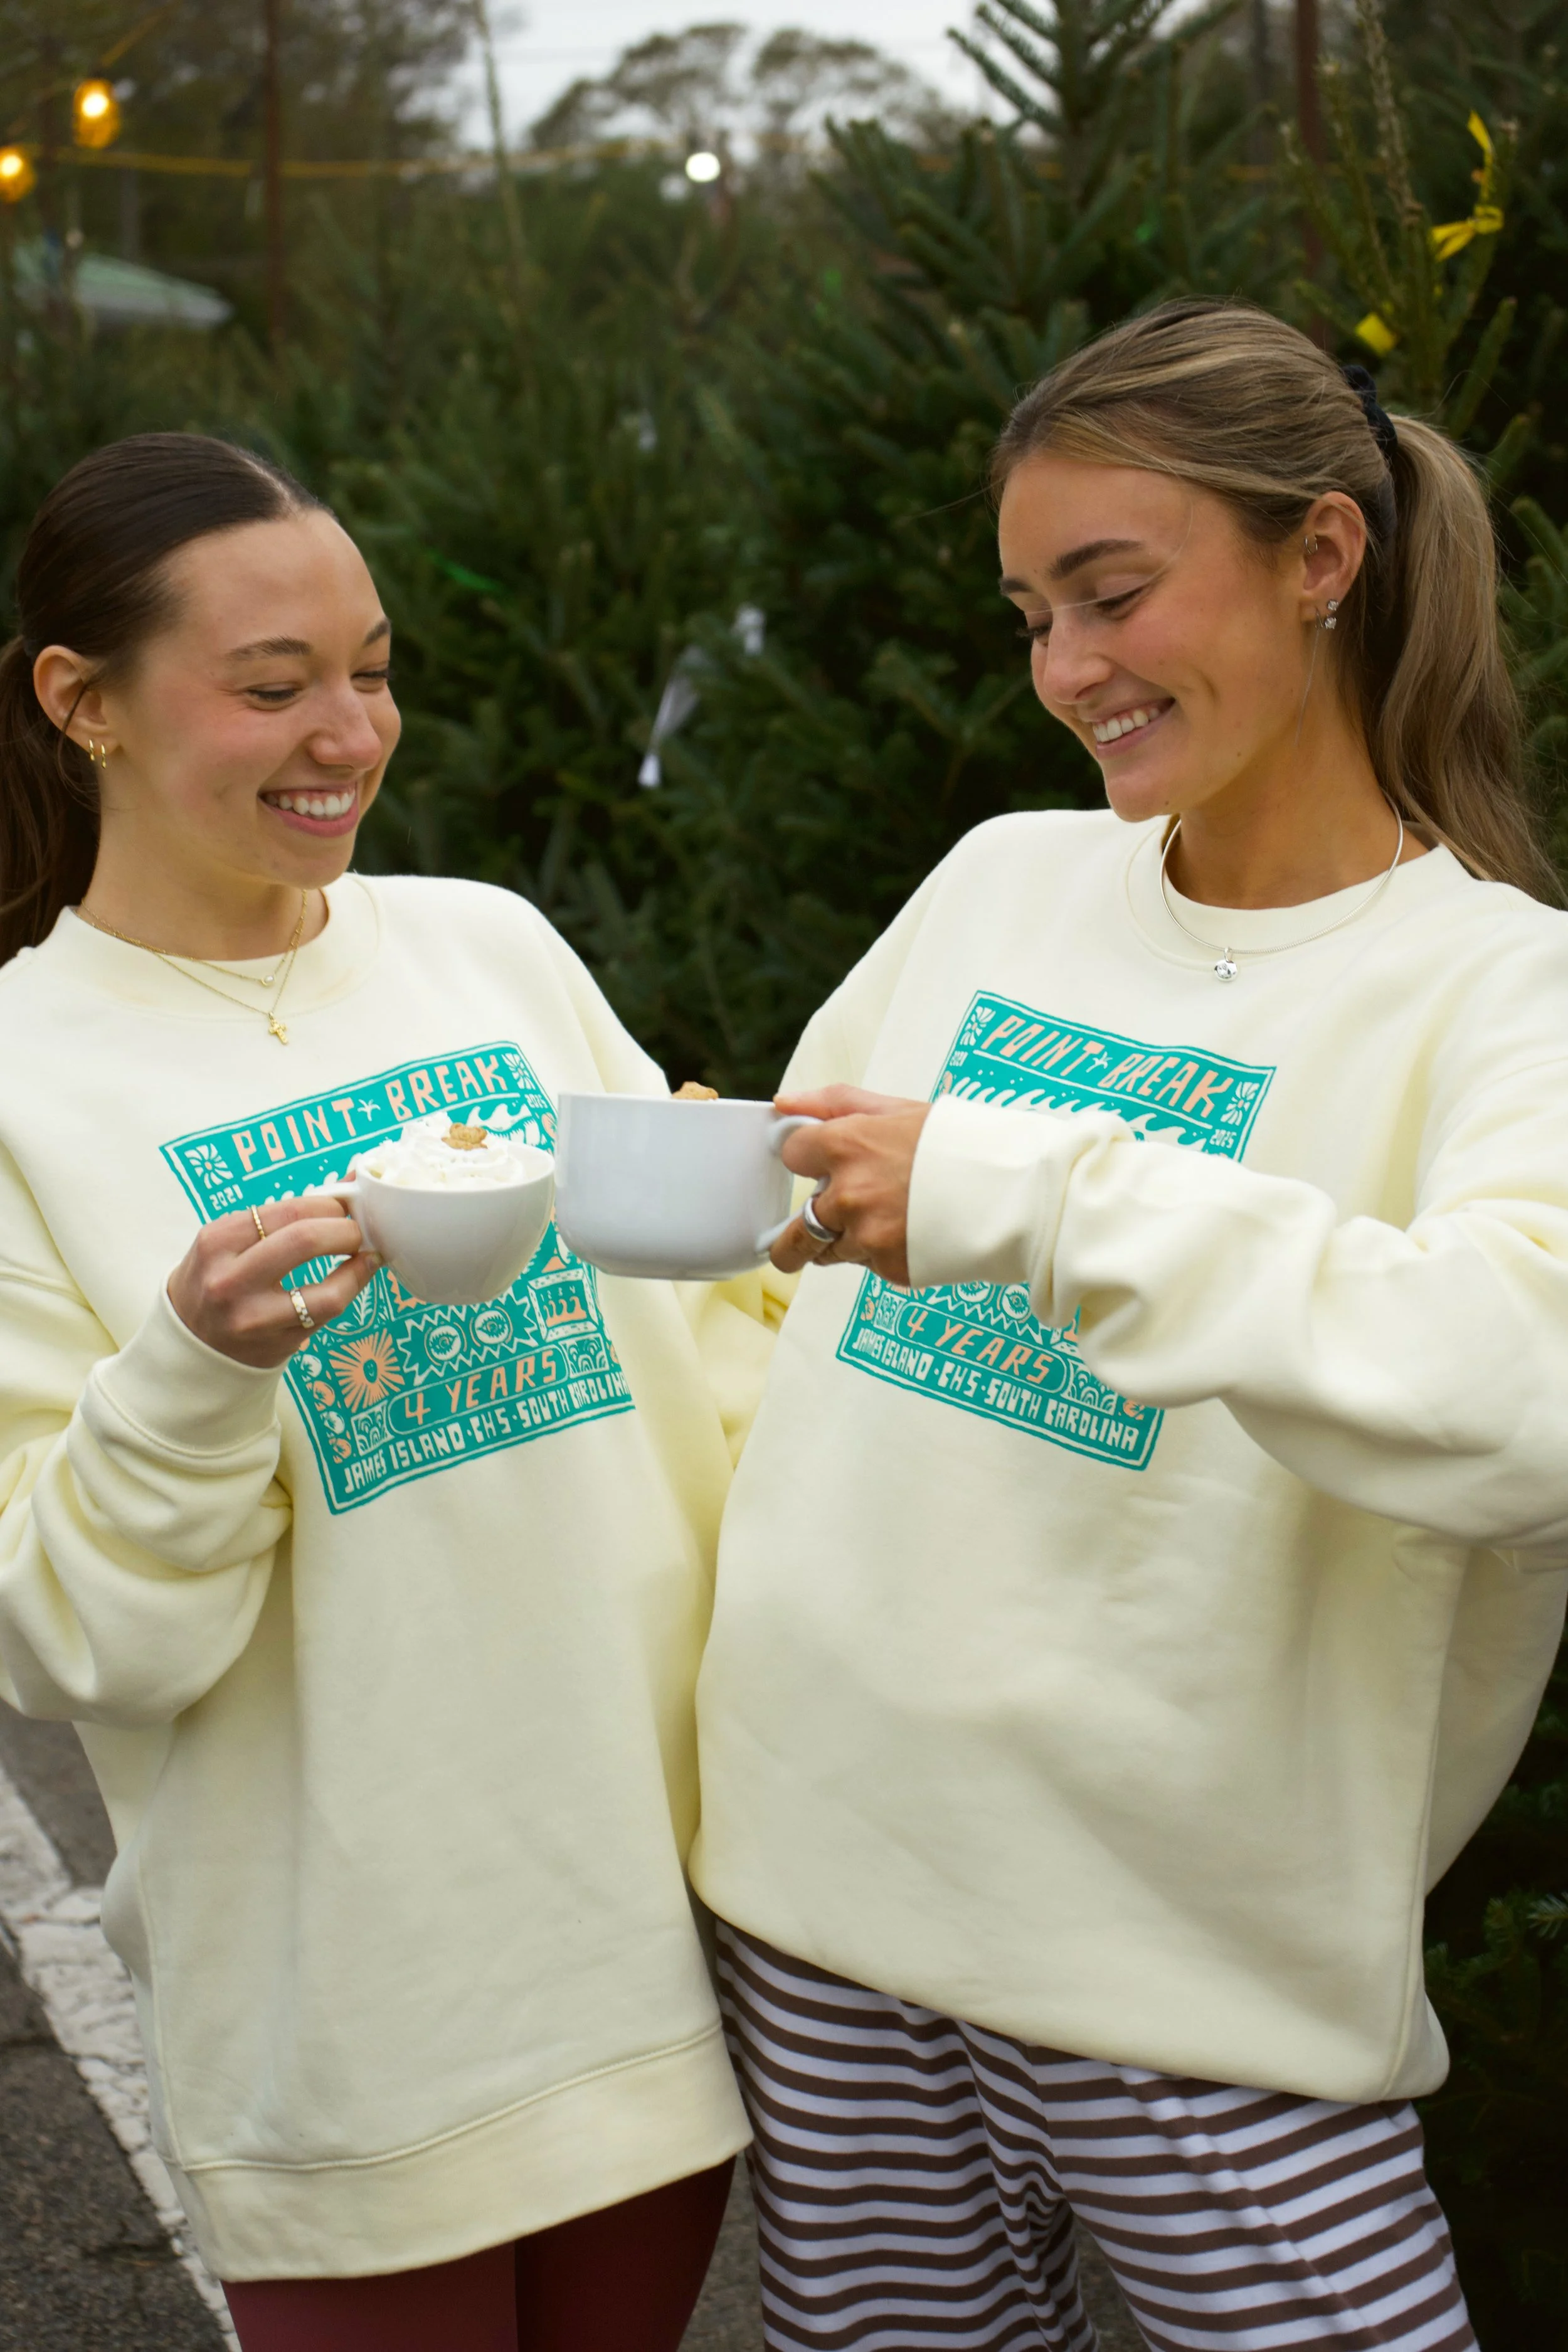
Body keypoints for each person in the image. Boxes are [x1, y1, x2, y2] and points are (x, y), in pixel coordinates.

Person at [692, 301, 1568, 2351]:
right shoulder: (1004, 880)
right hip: (819, 1870)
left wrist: (1020, 1190)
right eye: (1028, 612)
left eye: (1111, 592)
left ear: (1322, 559)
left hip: (1179, 1943)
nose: (1065, 670)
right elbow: (778, 1255)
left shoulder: (1497, 985)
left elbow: (1519, 1386)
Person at [0, 433, 771, 2351]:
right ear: (79, 701)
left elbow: (705, 1365)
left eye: (370, 666)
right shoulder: (25, 1079)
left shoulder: (484, 947)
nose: (346, 728)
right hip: (354, 2000)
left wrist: (777, 1220)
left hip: (653, 1929)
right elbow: (81, 1638)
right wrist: (196, 1365)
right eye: (271, 685)